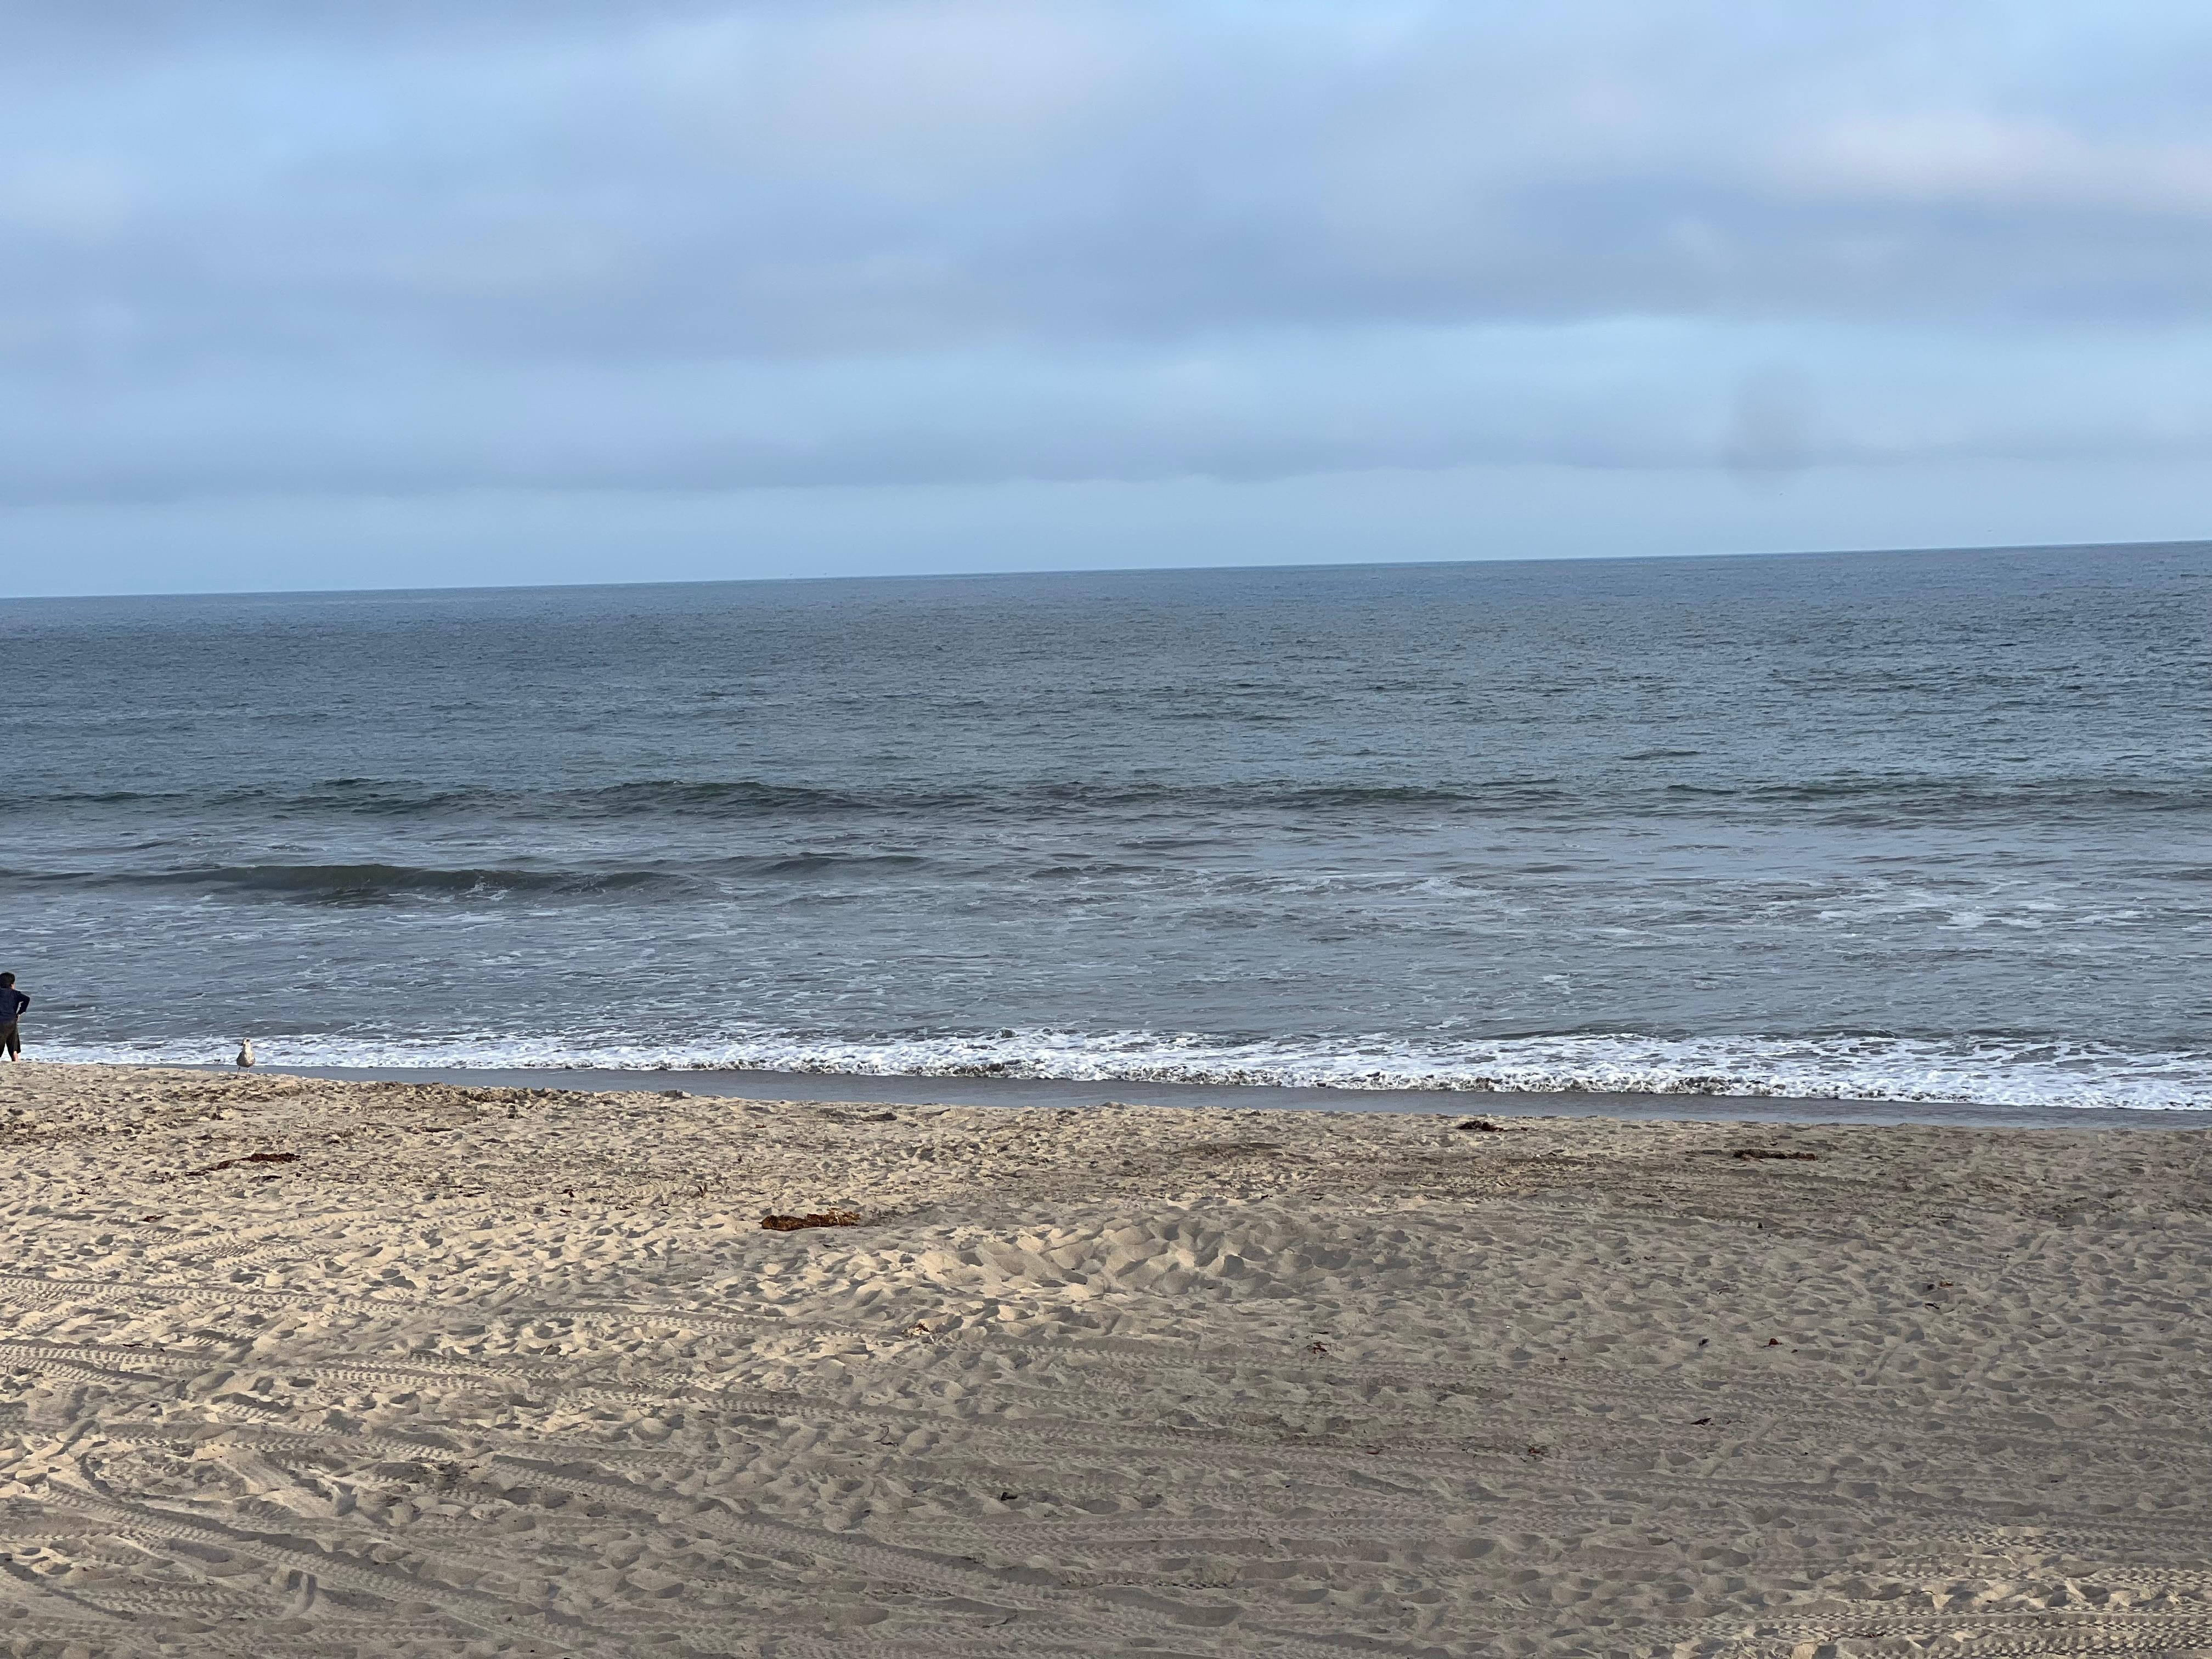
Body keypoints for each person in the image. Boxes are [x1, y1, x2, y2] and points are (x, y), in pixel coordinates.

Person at [0, 973, 26, 1062]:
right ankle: (16, 1063)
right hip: (12, 1022)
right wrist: (19, 1013)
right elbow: (27, 999)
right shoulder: (15, 994)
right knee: (14, 1048)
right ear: (12, 984)